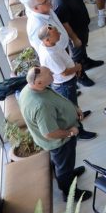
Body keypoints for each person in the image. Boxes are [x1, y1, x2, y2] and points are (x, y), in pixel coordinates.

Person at [18, 66, 90, 201]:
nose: (52, 73)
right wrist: (70, 132)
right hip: (60, 142)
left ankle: (69, 173)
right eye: (49, 73)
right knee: (63, 166)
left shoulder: (32, 88)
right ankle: (70, 194)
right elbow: (49, 133)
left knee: (65, 164)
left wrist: (74, 108)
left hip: (60, 136)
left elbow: (56, 99)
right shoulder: (41, 105)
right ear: (39, 82)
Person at [34, 25, 95, 138]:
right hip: (65, 85)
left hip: (68, 81)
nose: (60, 34)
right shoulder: (50, 55)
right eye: (56, 33)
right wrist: (78, 67)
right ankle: (79, 131)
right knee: (70, 109)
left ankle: (79, 115)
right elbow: (64, 72)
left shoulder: (49, 44)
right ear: (47, 40)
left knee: (73, 105)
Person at [50, 0, 104, 74]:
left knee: (83, 48)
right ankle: (81, 75)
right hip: (75, 32)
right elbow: (65, 24)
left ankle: (86, 62)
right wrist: (74, 38)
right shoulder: (60, 2)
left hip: (82, 27)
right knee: (77, 55)